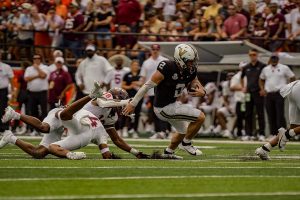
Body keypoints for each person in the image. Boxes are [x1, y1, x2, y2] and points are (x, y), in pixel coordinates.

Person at [123, 44, 206, 158]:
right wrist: (133, 103)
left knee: (182, 130)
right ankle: (186, 143)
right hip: (162, 108)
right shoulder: (167, 67)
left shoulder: (190, 70)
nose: (192, 64)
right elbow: (146, 86)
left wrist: (202, 91)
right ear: (180, 59)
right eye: (190, 61)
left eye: (193, 61)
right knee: (200, 117)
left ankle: (168, 152)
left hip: (173, 104)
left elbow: (195, 81)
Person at [255, 80, 300, 160]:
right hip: (297, 89)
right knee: (291, 132)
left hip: (293, 88)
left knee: (295, 127)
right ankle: (286, 135)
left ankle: (265, 148)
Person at [259, 54, 295, 137]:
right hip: (269, 93)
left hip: (280, 93)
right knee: (270, 114)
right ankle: (273, 133)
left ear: (278, 59)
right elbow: (261, 79)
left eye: (275, 59)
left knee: (280, 114)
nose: (274, 60)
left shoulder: (284, 67)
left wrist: (289, 87)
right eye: (273, 59)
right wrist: (262, 89)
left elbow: (292, 77)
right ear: (270, 59)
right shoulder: (266, 69)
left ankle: (282, 133)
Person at [140, 44, 169, 137]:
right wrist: (143, 91)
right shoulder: (146, 62)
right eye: (153, 49)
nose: (155, 50)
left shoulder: (165, 61)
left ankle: (164, 131)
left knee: (162, 111)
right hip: (151, 91)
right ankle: (158, 131)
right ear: (150, 50)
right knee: (154, 112)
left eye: (157, 49)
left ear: (159, 50)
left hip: (162, 90)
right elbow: (143, 78)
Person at [241, 49, 266, 141]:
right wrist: (243, 87)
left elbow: (265, 78)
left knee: (260, 113)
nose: (253, 56)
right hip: (249, 92)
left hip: (259, 92)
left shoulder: (263, 66)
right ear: (249, 56)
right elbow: (241, 77)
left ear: (257, 55)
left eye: (254, 54)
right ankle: (248, 133)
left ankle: (261, 133)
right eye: (251, 55)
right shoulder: (246, 67)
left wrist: (263, 89)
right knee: (248, 113)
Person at [24, 54, 49, 125]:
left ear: (40, 59)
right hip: (32, 93)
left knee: (44, 110)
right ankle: (34, 128)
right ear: (33, 60)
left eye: (38, 58)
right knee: (33, 110)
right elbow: (26, 79)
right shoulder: (29, 68)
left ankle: (44, 126)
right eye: (34, 58)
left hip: (42, 92)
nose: (36, 59)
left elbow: (44, 76)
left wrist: (37, 68)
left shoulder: (45, 67)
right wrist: (38, 75)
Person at [0, 50, 14, 134]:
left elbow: (11, 79)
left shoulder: (6, 66)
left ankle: (4, 128)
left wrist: (12, 91)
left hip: (3, 90)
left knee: (3, 109)